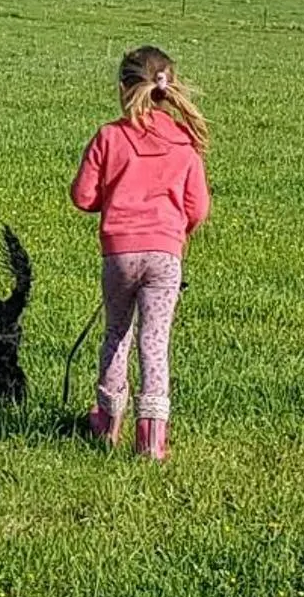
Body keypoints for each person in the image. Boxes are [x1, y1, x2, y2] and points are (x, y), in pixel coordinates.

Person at [69, 45, 211, 463]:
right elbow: (198, 208)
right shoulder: (185, 143)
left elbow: (82, 196)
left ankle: (108, 422)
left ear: (122, 88)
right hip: (166, 255)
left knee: (117, 334)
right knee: (155, 342)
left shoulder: (109, 137)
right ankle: (151, 439)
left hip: (119, 254)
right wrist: (175, 229)